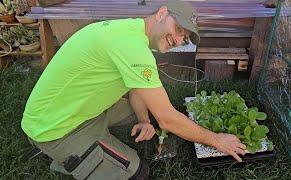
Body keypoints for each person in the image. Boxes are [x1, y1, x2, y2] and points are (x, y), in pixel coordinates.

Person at [21, 0, 246, 179]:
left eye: (184, 38)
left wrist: (144, 121)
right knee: (138, 173)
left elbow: (137, 90)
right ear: (161, 13)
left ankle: (89, 153)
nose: (179, 39)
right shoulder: (133, 47)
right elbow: (168, 119)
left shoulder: (132, 32)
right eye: (178, 28)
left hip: (80, 108)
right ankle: (68, 159)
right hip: (54, 127)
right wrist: (217, 140)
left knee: (153, 116)